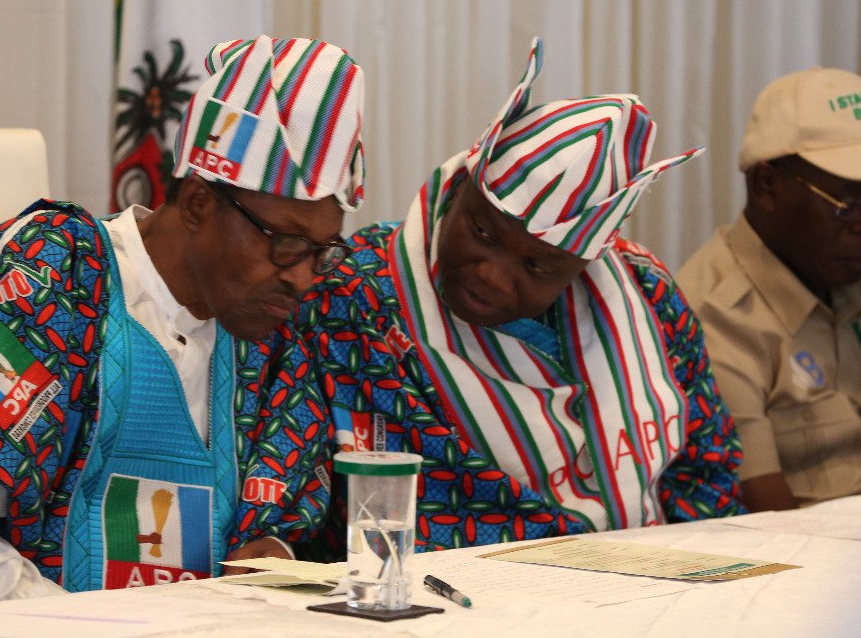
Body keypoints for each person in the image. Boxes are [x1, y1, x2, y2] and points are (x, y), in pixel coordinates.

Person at [0, 35, 366, 605]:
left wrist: (274, 551)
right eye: (285, 243)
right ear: (200, 204)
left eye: (322, 250)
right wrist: (65, 624)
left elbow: (286, 511)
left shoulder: (268, 337)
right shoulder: (56, 285)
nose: (304, 278)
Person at [286, 38, 742, 555]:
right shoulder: (359, 298)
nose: (493, 277)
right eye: (482, 233)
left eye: (536, 266)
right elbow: (377, 504)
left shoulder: (648, 295)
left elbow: (708, 473)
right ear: (458, 189)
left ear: (584, 266)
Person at [677, 67, 861, 512]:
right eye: (848, 203)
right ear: (767, 186)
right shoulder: (713, 320)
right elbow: (769, 526)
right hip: (826, 564)